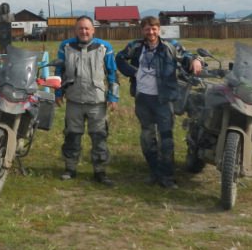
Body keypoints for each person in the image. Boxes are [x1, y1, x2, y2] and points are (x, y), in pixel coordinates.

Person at [115, 16, 202, 189]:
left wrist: (196, 60)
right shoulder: (135, 46)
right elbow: (119, 58)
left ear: (159, 29)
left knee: (166, 139)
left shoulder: (170, 46)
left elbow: (187, 56)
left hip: (164, 99)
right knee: (147, 136)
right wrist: (133, 73)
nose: (151, 32)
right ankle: (154, 171)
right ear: (142, 30)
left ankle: (167, 176)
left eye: (154, 28)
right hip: (143, 98)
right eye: (147, 28)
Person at [55, 15, 119, 187]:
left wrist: (113, 97)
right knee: (72, 136)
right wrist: (58, 93)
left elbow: (112, 73)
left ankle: (100, 171)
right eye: (80, 28)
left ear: (93, 30)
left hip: (97, 102)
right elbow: (59, 70)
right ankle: (70, 169)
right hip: (74, 100)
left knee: (99, 137)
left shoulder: (105, 47)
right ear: (76, 30)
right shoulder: (66, 46)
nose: (84, 31)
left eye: (87, 28)